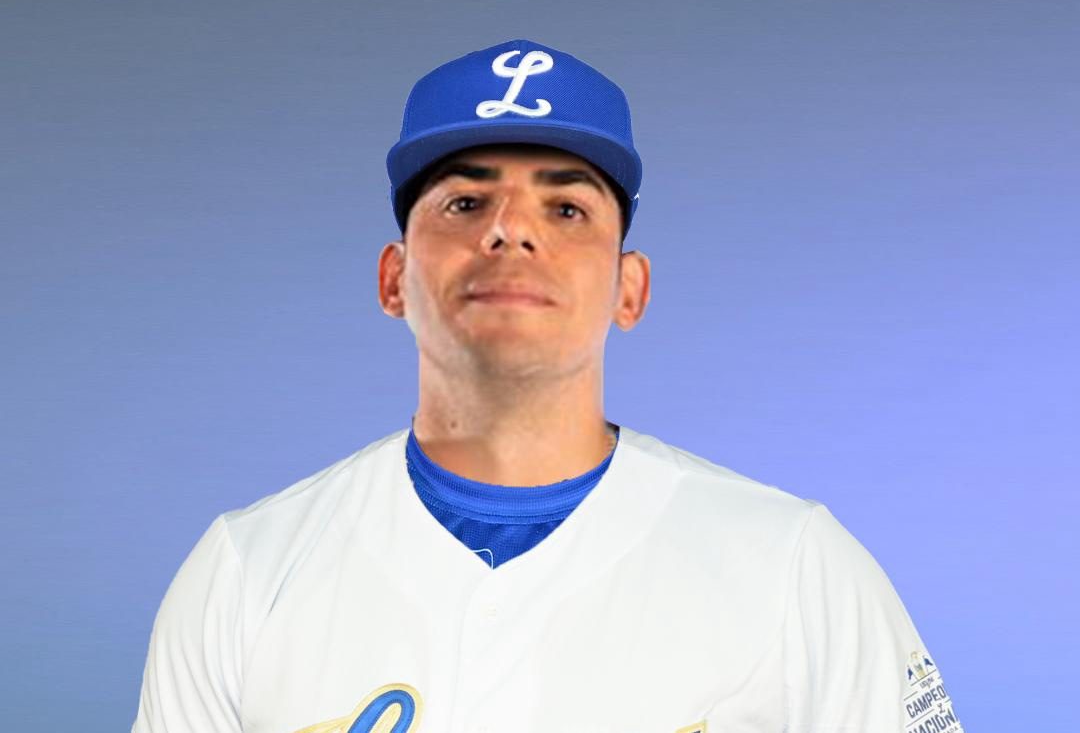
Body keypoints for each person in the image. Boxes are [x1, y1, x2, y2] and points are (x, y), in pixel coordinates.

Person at [131, 39, 963, 733]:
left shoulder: (793, 566)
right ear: (393, 279)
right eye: (465, 202)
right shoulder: (246, 572)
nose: (510, 230)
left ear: (629, 289)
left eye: (566, 210)